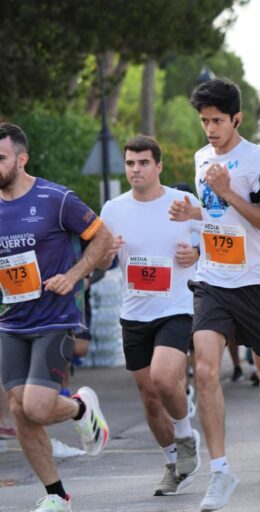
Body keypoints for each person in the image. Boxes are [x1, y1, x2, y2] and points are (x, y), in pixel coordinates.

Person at [170, 78, 260, 509]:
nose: (210, 129)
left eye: (218, 121)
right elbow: (215, 214)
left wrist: (228, 191)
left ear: (237, 119)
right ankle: (221, 472)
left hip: (258, 283)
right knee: (205, 370)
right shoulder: (200, 156)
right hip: (213, 281)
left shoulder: (258, 161)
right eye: (204, 121)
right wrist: (195, 212)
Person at [0, 123, 113, 512]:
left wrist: (73, 275)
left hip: (54, 317)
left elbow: (103, 237)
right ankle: (56, 495)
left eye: (0, 157)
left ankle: (82, 408)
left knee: (36, 407)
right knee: (19, 410)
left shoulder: (55, 198)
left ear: (21, 158)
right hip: (11, 322)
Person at [99, 135, 202, 495]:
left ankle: (187, 437)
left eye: (143, 162)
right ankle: (173, 463)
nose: (136, 169)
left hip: (176, 307)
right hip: (135, 311)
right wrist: (106, 253)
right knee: (149, 395)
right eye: (130, 163)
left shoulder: (183, 202)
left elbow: (216, 243)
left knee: (162, 377)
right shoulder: (113, 209)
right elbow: (99, 261)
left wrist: (196, 255)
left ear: (158, 166)